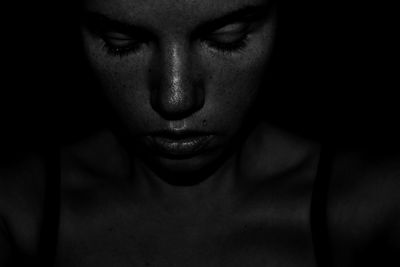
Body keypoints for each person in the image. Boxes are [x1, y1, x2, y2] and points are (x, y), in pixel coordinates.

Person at [0, 0, 399, 266]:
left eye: (228, 37)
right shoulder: (17, 211)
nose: (175, 98)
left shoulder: (376, 207)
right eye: (121, 42)